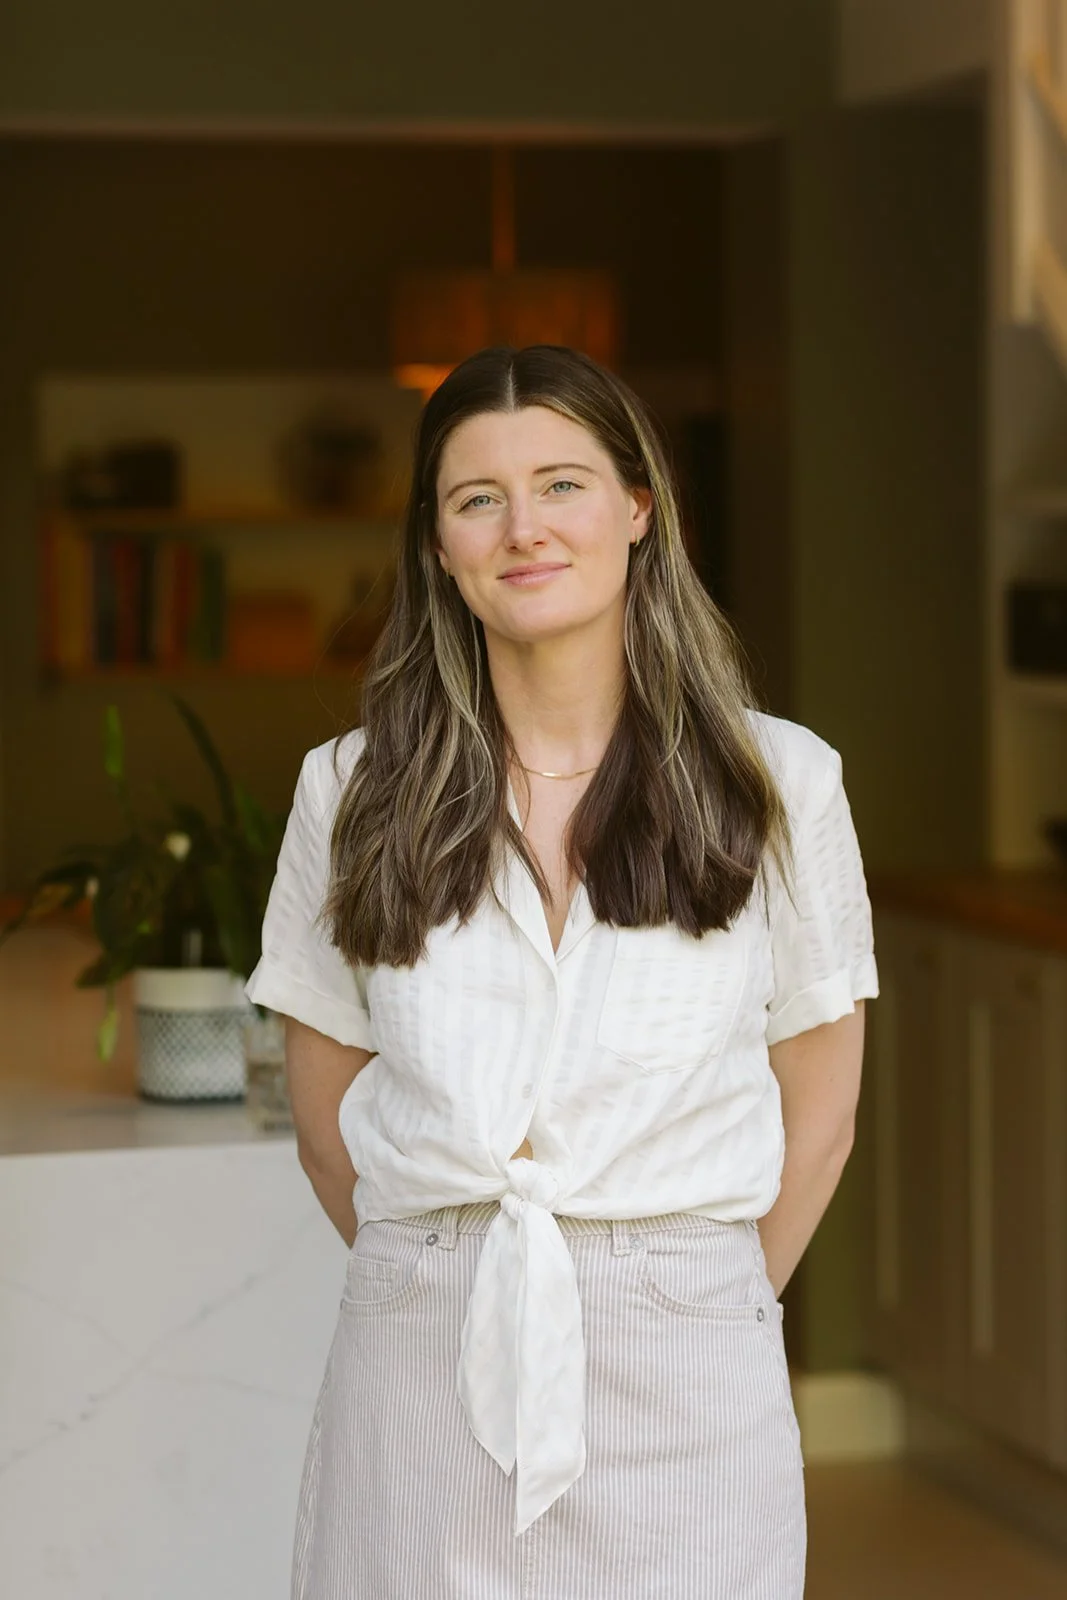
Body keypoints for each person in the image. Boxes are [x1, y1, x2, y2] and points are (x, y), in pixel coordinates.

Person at [245, 344, 878, 1599]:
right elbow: (326, 1122)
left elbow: (821, 1117)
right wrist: (444, 1265)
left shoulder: (778, 782)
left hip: (686, 1358)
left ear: (638, 509)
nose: (521, 529)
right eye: (476, 498)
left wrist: (695, 1301)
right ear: (437, 545)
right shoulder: (352, 789)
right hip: (420, 1349)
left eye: (562, 485)